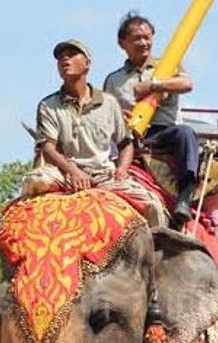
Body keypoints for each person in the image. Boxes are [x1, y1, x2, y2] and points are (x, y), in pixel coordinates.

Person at [35, 38, 166, 227]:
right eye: (60, 58)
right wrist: (74, 172)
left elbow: (125, 143)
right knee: (33, 182)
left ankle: (156, 252)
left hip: (104, 175)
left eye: (71, 55)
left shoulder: (109, 102)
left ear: (87, 64)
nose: (65, 61)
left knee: (152, 205)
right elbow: (48, 148)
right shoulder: (48, 105)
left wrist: (122, 169)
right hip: (65, 174)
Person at [103, 12, 199, 230]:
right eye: (137, 38)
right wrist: (120, 118)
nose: (143, 42)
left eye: (147, 37)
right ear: (122, 43)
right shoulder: (114, 79)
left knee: (185, 133)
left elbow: (186, 84)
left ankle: (184, 198)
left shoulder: (167, 66)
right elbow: (106, 113)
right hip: (131, 137)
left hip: (165, 132)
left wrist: (153, 85)